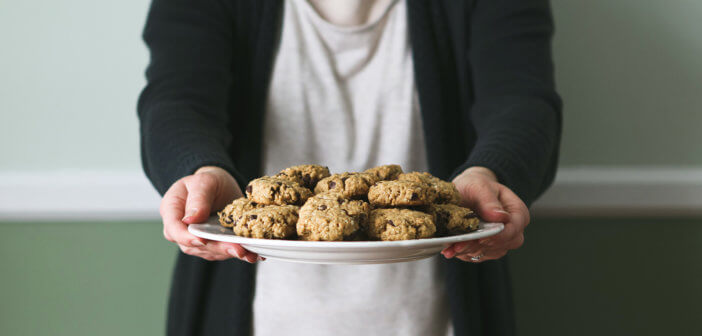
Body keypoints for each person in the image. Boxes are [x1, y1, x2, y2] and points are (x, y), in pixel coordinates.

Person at [138, 0, 562, 335]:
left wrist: (491, 173)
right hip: (252, 315)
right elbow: (176, 99)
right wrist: (199, 167)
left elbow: (524, 102)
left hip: (439, 315)